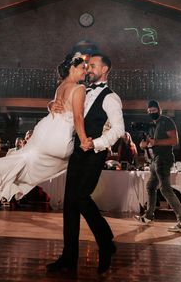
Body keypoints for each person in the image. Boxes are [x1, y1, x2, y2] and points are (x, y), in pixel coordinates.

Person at [0, 53, 89, 202]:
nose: (85, 71)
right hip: (60, 136)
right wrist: (84, 139)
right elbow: (78, 117)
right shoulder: (79, 88)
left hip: (45, 129)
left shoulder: (60, 87)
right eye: (82, 68)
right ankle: (4, 176)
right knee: (61, 162)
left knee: (26, 158)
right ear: (72, 68)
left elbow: (57, 105)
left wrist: (50, 105)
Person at [47, 53, 124, 275]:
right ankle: (69, 258)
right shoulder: (80, 90)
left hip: (93, 155)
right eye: (87, 65)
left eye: (93, 66)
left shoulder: (110, 97)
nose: (88, 69)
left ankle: (106, 242)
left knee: (80, 198)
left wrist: (96, 144)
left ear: (105, 69)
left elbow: (119, 130)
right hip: (76, 153)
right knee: (70, 206)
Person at [134, 100, 181, 232]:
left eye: (154, 110)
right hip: (155, 159)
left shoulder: (167, 121)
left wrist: (156, 142)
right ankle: (148, 216)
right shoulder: (152, 125)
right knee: (151, 186)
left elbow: (175, 140)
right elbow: (147, 143)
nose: (151, 113)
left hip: (164, 159)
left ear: (159, 109)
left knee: (165, 189)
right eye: (149, 111)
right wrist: (143, 144)